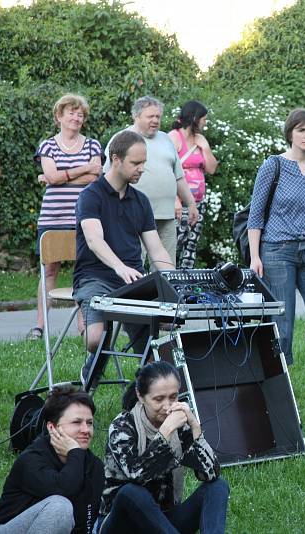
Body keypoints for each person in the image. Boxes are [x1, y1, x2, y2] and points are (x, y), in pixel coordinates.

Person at [74, 131, 175, 380]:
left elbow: (156, 249)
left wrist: (175, 279)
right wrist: (119, 267)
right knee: (96, 339)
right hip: (95, 277)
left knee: (153, 351)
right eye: (136, 163)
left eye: (144, 163)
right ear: (116, 159)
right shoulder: (91, 195)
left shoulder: (140, 201)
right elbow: (94, 240)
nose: (142, 169)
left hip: (132, 281)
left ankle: (148, 394)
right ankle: (92, 353)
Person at [95, 361, 229, 533]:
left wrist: (195, 426)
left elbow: (210, 474)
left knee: (217, 487)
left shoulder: (179, 424)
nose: (167, 407)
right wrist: (165, 432)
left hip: (164, 519)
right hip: (122, 524)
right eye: (159, 399)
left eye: (173, 397)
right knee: (131, 492)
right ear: (140, 396)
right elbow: (137, 475)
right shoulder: (122, 426)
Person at [248, 108, 305, 365]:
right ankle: (280, 381)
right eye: (301, 130)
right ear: (290, 133)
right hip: (276, 250)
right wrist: (255, 256)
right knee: (282, 324)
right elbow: (256, 214)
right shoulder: (273, 165)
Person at [27, 94, 102, 341]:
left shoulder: (92, 144)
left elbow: (95, 178)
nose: (76, 117)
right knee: (49, 272)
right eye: (71, 112)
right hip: (52, 218)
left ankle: (84, 326)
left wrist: (59, 175)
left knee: (84, 270)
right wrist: (80, 170)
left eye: (80, 114)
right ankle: (40, 327)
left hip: (85, 218)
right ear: (60, 116)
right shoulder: (48, 145)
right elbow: (53, 176)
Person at [0, 386, 103, 534]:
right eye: (76, 422)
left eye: (89, 423)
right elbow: (64, 490)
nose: (86, 430)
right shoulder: (32, 460)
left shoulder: (94, 466)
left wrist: (76, 455)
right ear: (52, 427)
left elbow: (85, 524)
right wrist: (74, 453)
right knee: (59, 508)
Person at [104, 96, 198, 265]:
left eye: (158, 117)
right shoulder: (122, 139)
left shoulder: (166, 139)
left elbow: (179, 177)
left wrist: (191, 204)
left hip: (166, 216)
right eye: (150, 116)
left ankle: (163, 293)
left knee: (167, 267)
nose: (155, 120)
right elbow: (108, 179)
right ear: (136, 116)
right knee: (133, 265)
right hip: (131, 214)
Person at [168, 100, 218, 268]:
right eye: (203, 119)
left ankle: (184, 284)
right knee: (174, 244)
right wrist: (174, 198)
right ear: (195, 118)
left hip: (197, 203)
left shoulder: (200, 139)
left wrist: (205, 148)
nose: (205, 122)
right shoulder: (174, 137)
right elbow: (166, 170)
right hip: (178, 202)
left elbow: (211, 169)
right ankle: (167, 281)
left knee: (190, 247)